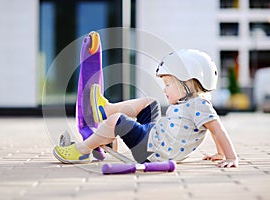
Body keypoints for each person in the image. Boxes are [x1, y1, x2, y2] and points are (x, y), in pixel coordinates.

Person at [53, 49, 238, 168]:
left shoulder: (199, 104)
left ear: (187, 84)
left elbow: (217, 129)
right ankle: (104, 111)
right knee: (150, 103)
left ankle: (81, 150)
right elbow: (214, 132)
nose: (164, 89)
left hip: (150, 150)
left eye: (168, 84)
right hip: (153, 137)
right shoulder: (190, 103)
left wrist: (230, 157)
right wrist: (220, 153)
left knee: (117, 120)